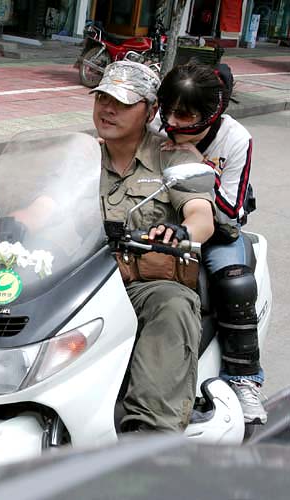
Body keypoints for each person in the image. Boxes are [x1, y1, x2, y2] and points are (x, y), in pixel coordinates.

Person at [92, 61, 215, 432]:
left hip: (144, 282)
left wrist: (179, 232)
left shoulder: (172, 157)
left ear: (151, 110)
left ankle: (153, 435)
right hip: (83, 280)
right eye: (102, 97)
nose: (107, 108)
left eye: (123, 102)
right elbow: (44, 204)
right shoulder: (83, 152)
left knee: (172, 304)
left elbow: (200, 215)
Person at [153, 63, 266, 424]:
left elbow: (231, 208)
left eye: (183, 115)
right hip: (159, 220)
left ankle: (246, 378)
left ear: (211, 113)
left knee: (235, 280)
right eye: (167, 109)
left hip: (215, 229)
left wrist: (195, 162)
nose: (171, 122)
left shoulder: (236, 139)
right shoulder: (157, 125)